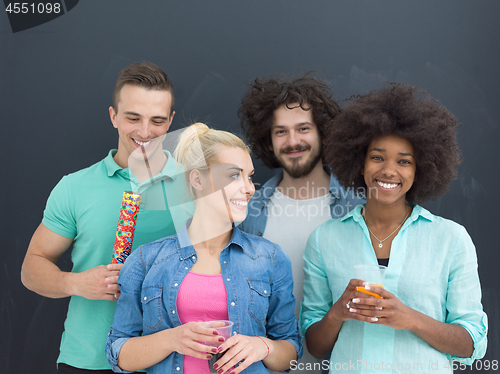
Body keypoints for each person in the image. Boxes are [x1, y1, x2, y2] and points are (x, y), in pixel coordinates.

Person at [301, 83, 488, 373]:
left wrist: (410, 318)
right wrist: (338, 313)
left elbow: (471, 344)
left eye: (404, 161)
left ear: (420, 170)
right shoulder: (325, 239)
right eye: (377, 157)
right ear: (360, 164)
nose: (389, 170)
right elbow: (315, 346)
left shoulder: (451, 239)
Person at [21, 61, 192, 373]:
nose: (144, 132)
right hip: (89, 359)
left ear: (170, 122)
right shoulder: (75, 186)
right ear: (113, 116)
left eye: (156, 120)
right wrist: (75, 282)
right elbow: (31, 268)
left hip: (172, 360)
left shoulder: (197, 186)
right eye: (132, 118)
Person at [105, 123, 303, 374]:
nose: (249, 187)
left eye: (250, 176)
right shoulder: (146, 260)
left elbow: (291, 353)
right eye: (234, 175)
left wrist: (262, 346)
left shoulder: (270, 258)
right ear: (197, 179)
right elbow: (119, 354)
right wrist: (171, 339)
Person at [238, 74, 363, 372]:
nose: (292, 141)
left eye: (303, 128)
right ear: (268, 139)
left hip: (341, 363)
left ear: (324, 132)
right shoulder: (247, 208)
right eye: (280, 131)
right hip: (267, 364)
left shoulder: (358, 207)